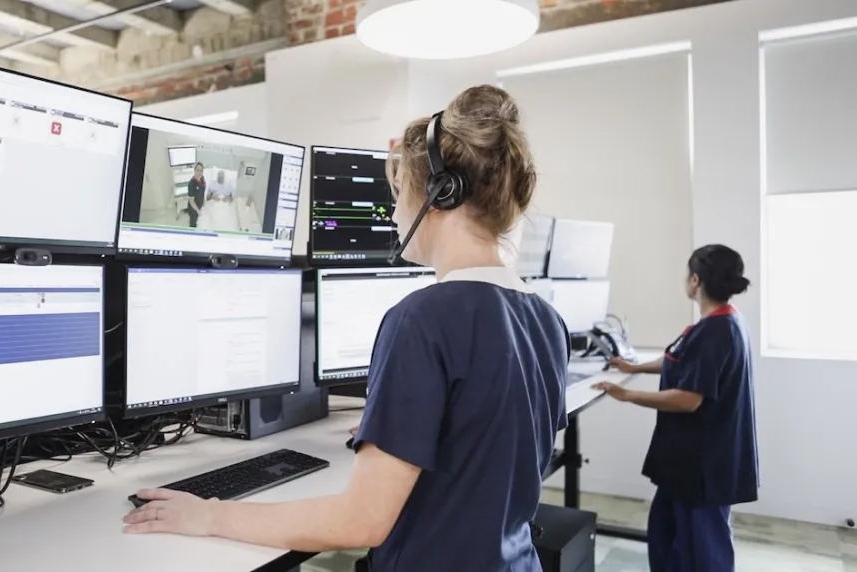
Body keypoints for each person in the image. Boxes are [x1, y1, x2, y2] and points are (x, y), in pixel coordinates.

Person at [122, 85, 571, 572]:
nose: (394, 214)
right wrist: (404, 426)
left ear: (440, 196)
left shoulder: (421, 319)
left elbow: (361, 522)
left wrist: (208, 515)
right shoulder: (546, 318)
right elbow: (495, 441)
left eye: (398, 194)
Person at [592, 244, 759, 572]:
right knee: (667, 537)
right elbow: (680, 360)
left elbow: (688, 398)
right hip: (686, 464)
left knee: (701, 551)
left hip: (703, 467)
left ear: (696, 280)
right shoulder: (720, 322)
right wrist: (634, 368)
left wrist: (627, 396)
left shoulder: (716, 331)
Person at [186, 163, 206, 228]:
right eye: (198, 170)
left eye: (201, 171)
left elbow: (203, 191)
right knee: (193, 225)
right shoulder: (191, 184)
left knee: (199, 222)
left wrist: (203, 202)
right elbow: (191, 201)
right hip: (193, 208)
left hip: (199, 204)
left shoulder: (202, 179)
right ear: (194, 171)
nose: (199, 173)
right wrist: (197, 210)